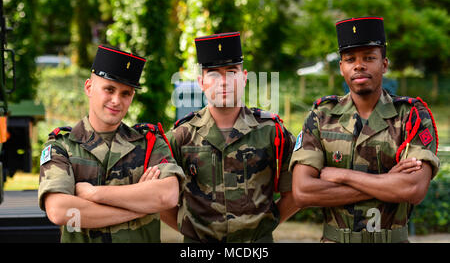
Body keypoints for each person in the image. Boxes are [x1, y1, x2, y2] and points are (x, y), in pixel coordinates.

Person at [290, 17, 440, 243]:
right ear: (341, 67)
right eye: (350, 59)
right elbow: (303, 192)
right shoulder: (321, 117)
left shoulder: (411, 116)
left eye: (369, 58)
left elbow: (414, 188)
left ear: (384, 64)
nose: (359, 65)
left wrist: (342, 175)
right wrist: (388, 182)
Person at [38, 44, 185, 243]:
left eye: (126, 93)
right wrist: (139, 208)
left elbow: (166, 196)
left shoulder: (150, 144)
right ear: (89, 87)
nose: (116, 100)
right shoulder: (61, 147)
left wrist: (94, 194)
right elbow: (60, 211)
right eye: (109, 89)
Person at [161, 32, 299, 243]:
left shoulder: (272, 132)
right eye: (213, 74)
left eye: (231, 72)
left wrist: (261, 228)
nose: (223, 82)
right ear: (201, 82)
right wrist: (190, 230)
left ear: (243, 77)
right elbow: (161, 200)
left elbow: (295, 193)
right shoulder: (181, 136)